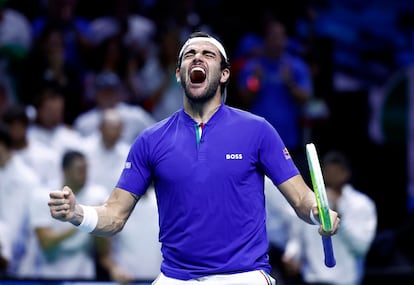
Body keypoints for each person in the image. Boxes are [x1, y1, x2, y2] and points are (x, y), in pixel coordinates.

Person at [48, 31, 340, 285]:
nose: (197, 58)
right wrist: (78, 214)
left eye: (207, 54)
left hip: (244, 277)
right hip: (175, 278)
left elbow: (302, 200)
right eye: (189, 55)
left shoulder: (258, 131)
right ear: (179, 73)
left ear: (224, 74)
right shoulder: (151, 140)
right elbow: (114, 216)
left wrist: (319, 213)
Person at [282, 150, 377, 285]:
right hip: (312, 279)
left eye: (337, 172)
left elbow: (361, 248)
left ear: (347, 173)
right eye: (329, 172)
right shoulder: (310, 204)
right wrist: (291, 255)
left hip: (346, 281)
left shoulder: (361, 204)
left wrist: (339, 217)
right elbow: (296, 238)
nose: (333, 176)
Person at [236, 19, 313, 184]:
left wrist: (290, 83)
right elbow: (243, 98)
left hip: (288, 142)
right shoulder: (253, 66)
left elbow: (306, 97)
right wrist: (255, 81)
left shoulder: (296, 66)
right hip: (257, 142)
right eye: (273, 37)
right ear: (265, 39)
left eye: (281, 37)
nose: (278, 41)